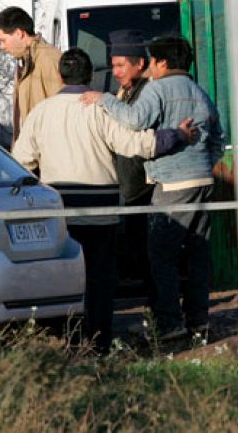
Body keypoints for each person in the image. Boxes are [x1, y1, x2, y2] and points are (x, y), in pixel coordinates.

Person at [11, 47, 195, 354]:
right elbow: (136, 144)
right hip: (102, 212)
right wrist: (175, 135)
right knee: (100, 279)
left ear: (60, 76)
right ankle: (99, 343)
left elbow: (21, 161)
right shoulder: (100, 107)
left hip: (61, 211)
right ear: (91, 76)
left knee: (65, 279)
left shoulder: (41, 112)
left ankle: (68, 340)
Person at [82, 36, 224, 340]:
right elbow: (218, 137)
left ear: (161, 63)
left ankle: (169, 323)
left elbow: (134, 120)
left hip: (172, 183)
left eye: (152, 63)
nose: (149, 72)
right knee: (198, 254)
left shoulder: (159, 88)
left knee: (161, 254)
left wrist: (104, 99)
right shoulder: (199, 91)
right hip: (204, 183)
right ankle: (199, 320)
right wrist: (204, 163)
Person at [108, 29, 155, 297]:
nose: (115, 71)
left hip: (144, 185)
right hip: (131, 185)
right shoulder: (126, 91)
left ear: (139, 64)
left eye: (120, 65)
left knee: (149, 251)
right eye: (113, 65)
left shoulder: (147, 93)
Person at [0, 6, 62, 144]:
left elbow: (63, 110)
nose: (2, 47)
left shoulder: (48, 60)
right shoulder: (26, 62)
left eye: (3, 40)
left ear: (19, 33)